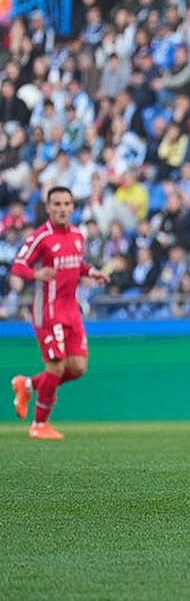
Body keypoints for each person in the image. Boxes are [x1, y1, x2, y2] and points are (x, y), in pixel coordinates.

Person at [10, 186, 110, 439]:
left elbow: (77, 263)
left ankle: (28, 384)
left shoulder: (77, 236)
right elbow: (19, 265)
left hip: (71, 311)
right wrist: (36, 274)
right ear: (48, 208)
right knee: (55, 367)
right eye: (57, 204)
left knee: (77, 368)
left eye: (67, 204)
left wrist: (92, 273)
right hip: (49, 311)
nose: (62, 209)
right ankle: (39, 425)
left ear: (73, 208)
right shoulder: (40, 238)